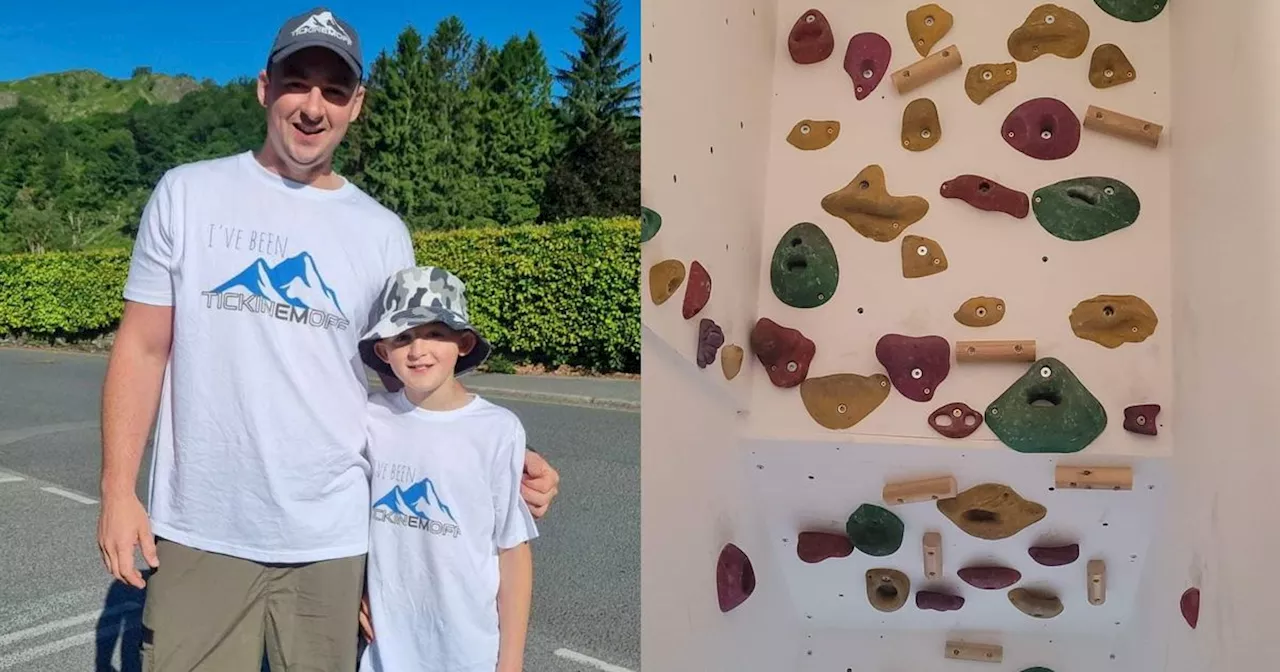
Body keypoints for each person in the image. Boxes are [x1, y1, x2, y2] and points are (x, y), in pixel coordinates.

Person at [95, 7, 560, 671]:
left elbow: (413, 378)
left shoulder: (381, 232)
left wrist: (502, 452)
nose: (313, 107)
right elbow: (142, 349)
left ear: (356, 105)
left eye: (334, 90)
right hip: (202, 529)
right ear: (264, 87)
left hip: (334, 540)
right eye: (297, 82)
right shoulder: (187, 195)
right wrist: (118, 491)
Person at [354, 266, 536, 672]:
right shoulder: (368, 418)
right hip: (387, 653)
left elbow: (513, 549)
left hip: (468, 652)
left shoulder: (497, 429)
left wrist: (511, 662)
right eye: (402, 337)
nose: (418, 350)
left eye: (435, 333)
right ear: (383, 352)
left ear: (463, 343)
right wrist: (349, 590)